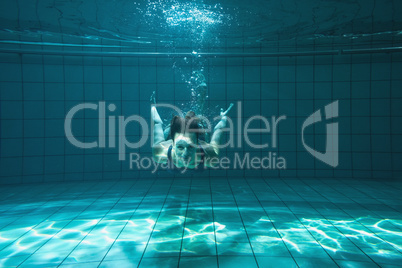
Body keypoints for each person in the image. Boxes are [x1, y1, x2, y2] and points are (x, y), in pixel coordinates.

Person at [150, 91, 233, 173]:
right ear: (172, 144)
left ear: (197, 143)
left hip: (198, 136)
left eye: (191, 146)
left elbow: (217, 133)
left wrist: (223, 119)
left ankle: (195, 113)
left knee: (201, 128)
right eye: (180, 147)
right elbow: (157, 123)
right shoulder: (160, 152)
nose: (185, 154)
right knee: (169, 129)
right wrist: (153, 107)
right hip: (174, 136)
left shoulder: (210, 156)